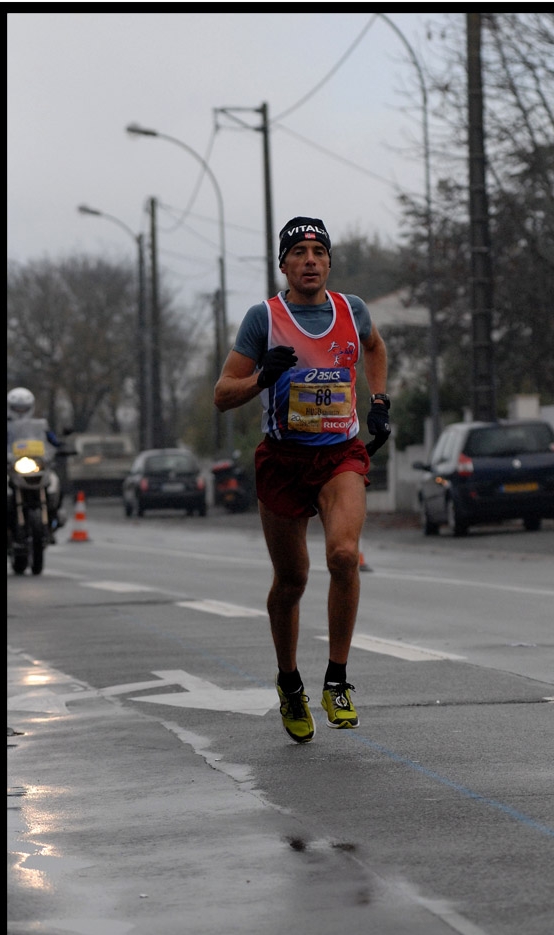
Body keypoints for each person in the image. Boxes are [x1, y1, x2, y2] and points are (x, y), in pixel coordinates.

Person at [214, 216, 391, 744]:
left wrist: (378, 402)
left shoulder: (350, 310)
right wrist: (261, 376)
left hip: (340, 453)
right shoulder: (262, 318)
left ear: (329, 262)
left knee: (343, 555)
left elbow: (376, 348)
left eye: (319, 251)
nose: (310, 260)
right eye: (299, 252)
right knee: (291, 581)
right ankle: (290, 682)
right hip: (283, 461)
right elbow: (222, 394)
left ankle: (336, 679)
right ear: (284, 265)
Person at [7, 387, 65, 538]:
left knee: (55, 482)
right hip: (12, 466)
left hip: (36, 464)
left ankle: (54, 517)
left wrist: (61, 446)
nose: (20, 411)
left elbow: (52, 440)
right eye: (17, 408)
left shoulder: (40, 425)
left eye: (23, 408)